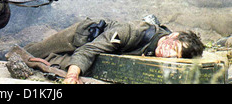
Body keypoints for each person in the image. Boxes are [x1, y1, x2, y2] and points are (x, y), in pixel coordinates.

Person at [15, 16, 204, 84]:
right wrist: (72, 77)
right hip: (83, 37)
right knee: (35, 52)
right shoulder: (133, 32)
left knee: (57, 64)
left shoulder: (161, 50)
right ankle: (4, 52)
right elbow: (90, 49)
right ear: (173, 36)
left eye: (175, 55)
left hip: (104, 54)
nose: (168, 52)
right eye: (173, 46)